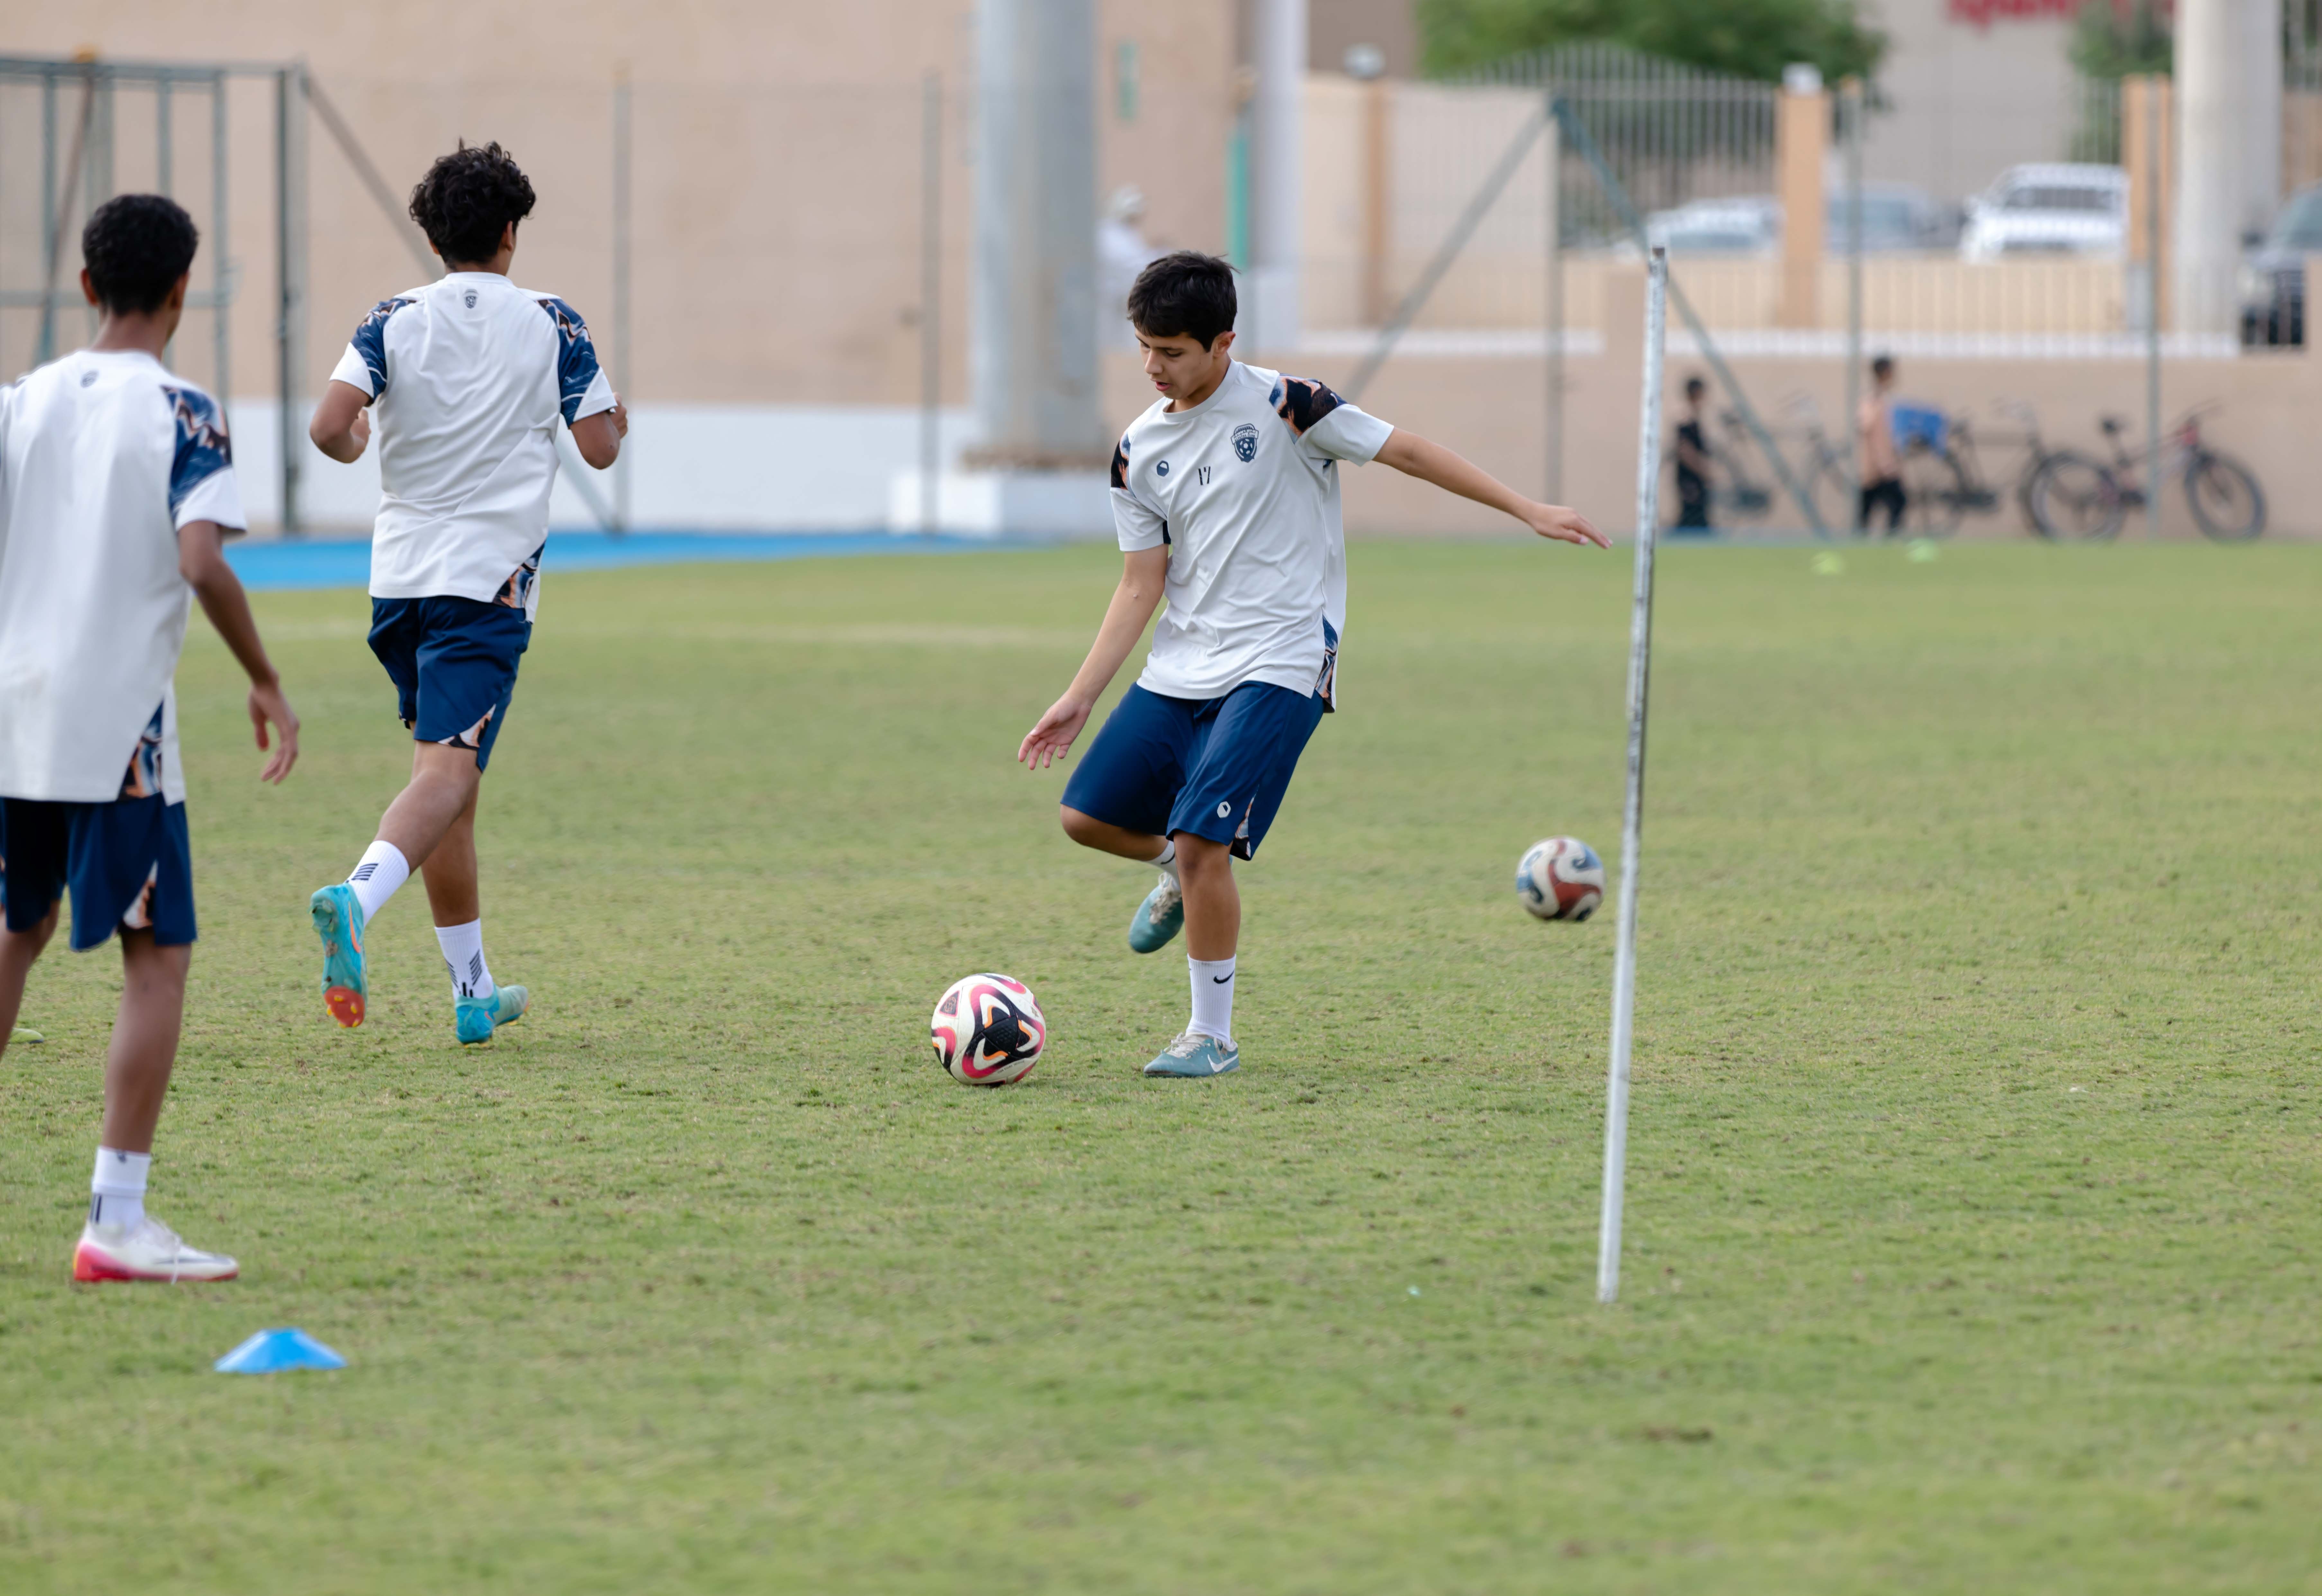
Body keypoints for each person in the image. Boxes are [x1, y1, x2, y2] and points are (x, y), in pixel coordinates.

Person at [1017, 252, 1605, 1079]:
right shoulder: (1136, 451)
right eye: (1144, 347)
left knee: (1200, 839)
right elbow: (1139, 582)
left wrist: (1527, 508)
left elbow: (1406, 452)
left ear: (1223, 342)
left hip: (1285, 657)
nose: (1154, 367)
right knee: (1087, 817)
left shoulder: (1292, 405)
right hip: (1184, 662)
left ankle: (1211, 1035)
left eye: (1173, 351)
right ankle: (1178, 880)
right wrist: (1080, 695)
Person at [0, 194, 300, 1282]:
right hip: (117, 720)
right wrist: (264, 676)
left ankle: (118, 1219)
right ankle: (115, 1217)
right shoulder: (185, 410)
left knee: (14, 927)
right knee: (157, 954)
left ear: (86, 286)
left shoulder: (20, 400)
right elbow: (200, 560)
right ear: (182, 293)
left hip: (14, 712)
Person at [306, 142, 625, 1045]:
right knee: (447, 775)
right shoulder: (552, 320)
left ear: (432, 235)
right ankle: (355, 897)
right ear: (513, 231)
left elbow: (331, 424)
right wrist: (617, 417)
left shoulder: (392, 317)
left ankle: (472, 990)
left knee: (452, 783)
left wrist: (357, 439)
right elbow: (599, 445)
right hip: (483, 587)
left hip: (399, 581)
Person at [1858, 353, 1905, 534]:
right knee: (1897, 503)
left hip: (1882, 466)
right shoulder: (1874, 400)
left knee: (1870, 510)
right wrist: (1881, 461)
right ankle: (1885, 543)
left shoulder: (1883, 399)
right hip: (1877, 468)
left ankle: (1882, 543)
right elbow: (1865, 427)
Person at [1672, 375, 1713, 533]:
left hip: (1694, 477)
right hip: (1689, 478)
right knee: (1691, 517)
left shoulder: (1694, 416)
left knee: (1698, 514)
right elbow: (1684, 450)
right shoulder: (1686, 417)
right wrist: (1702, 469)